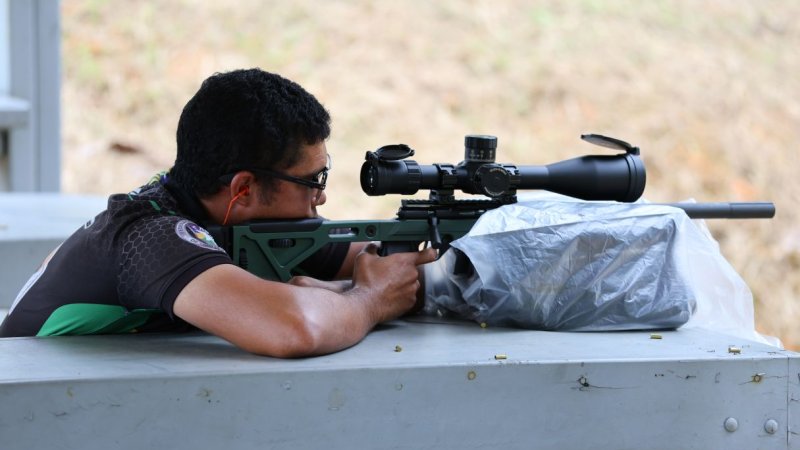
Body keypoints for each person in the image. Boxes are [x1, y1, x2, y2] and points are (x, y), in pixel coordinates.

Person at [0, 68, 437, 357]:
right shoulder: (151, 236)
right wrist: (368, 300)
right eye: (312, 181)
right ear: (243, 188)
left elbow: (389, 271)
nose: (320, 198)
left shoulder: (228, 213)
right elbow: (295, 328)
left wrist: (352, 285)